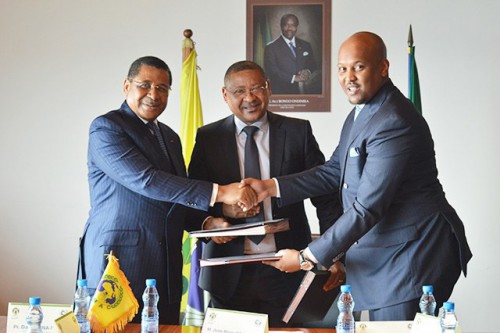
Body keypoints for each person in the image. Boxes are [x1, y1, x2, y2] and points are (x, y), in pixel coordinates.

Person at [243, 32, 473, 321]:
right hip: (386, 254)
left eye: (359, 67)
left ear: (383, 68)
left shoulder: (393, 121)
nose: (348, 77)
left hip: (413, 257)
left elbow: (368, 207)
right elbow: (333, 171)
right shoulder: (361, 113)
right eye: (342, 68)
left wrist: (306, 258)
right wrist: (269, 187)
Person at [79, 56, 258, 325]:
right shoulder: (107, 128)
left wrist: (207, 222)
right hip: (118, 264)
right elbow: (147, 181)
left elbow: (175, 198)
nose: (154, 94)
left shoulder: (169, 137)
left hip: (165, 267)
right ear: (126, 86)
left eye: (162, 88)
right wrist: (222, 192)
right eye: (145, 85)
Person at [188, 60, 341, 327]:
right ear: (225, 95)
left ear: (268, 89)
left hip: (287, 269)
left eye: (257, 88)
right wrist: (213, 219)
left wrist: (333, 254)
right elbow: (193, 198)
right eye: (239, 91)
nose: (249, 98)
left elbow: (325, 194)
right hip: (228, 275)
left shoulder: (297, 132)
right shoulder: (208, 137)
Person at [264, 13, 319, 94]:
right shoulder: (271, 47)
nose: (289, 28)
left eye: (293, 25)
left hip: (306, 92)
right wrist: (294, 78)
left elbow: (313, 64)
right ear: (281, 26)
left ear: (296, 27)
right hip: (282, 93)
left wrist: (308, 71)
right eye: (286, 25)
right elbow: (272, 71)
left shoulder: (305, 45)